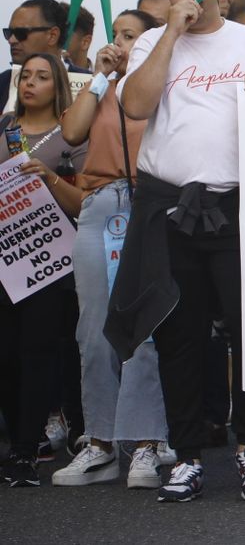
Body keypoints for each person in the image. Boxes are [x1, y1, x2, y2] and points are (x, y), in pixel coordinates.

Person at [106, 0, 245, 503]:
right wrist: (171, 37)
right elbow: (136, 106)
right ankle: (187, 455)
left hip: (234, 206)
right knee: (178, 334)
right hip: (171, 207)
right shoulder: (155, 42)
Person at [52, 9, 169, 489]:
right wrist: (99, 76)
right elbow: (72, 134)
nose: (120, 44)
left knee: (143, 329)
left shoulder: (161, 85)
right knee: (92, 328)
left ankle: (145, 443)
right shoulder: (98, 89)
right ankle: (100, 443)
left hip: (148, 204)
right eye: (116, 35)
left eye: (131, 36)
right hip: (100, 205)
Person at [0, 52, 89, 487]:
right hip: (4, 261)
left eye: (41, 77)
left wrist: (49, 179)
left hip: (49, 262)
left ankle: (24, 451)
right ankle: (19, 438)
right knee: (6, 356)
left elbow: (85, 203)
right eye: (25, 76)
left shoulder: (70, 137)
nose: (30, 83)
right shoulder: (4, 130)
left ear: (59, 86)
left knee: (36, 353)